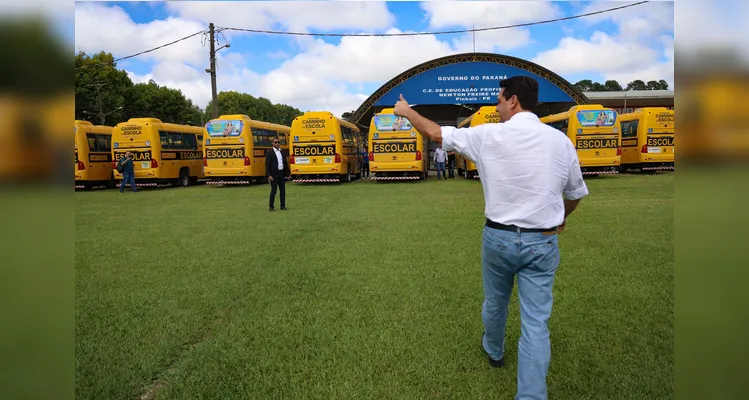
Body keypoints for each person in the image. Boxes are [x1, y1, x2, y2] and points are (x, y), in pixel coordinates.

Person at [393, 76, 588, 400]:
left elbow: (434, 133)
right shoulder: (560, 142)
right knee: (536, 323)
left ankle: (494, 350)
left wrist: (405, 111)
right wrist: (561, 218)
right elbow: (576, 193)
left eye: (499, 99)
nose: (496, 106)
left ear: (513, 101)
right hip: (542, 240)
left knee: (495, 303)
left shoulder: (487, 135)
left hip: (497, 238)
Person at [266, 138, 290, 211]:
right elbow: (267, 165)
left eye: (278, 142)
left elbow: (285, 163)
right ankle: (271, 206)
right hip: (274, 174)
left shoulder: (281, 152)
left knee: (282, 190)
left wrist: (288, 173)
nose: (277, 144)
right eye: (276, 142)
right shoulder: (270, 152)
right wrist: (269, 175)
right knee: (274, 191)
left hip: (281, 173)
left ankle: (282, 205)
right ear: (272, 143)